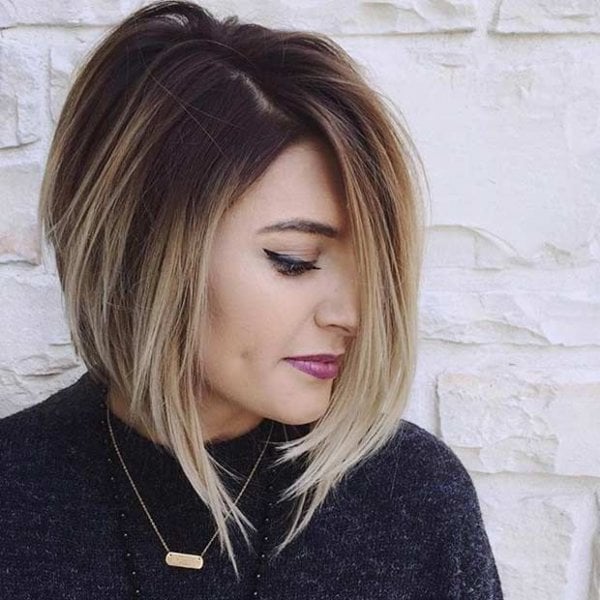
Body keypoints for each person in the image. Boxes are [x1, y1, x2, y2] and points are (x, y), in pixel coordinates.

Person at [0, 1, 504, 598]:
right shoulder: (17, 495)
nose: (352, 315)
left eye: (372, 269)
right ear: (140, 245)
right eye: (295, 260)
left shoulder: (410, 499)